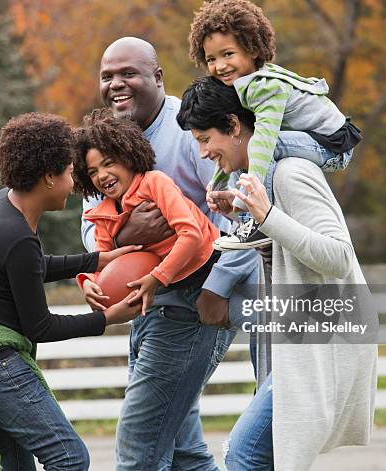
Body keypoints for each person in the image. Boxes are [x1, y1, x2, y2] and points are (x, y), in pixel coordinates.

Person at [0, 112, 142, 471]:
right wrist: (107, 319)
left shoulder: (5, 206)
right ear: (49, 177)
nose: (74, 182)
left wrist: (96, 260)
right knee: (69, 457)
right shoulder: (16, 234)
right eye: (69, 172)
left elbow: (30, 267)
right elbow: (41, 327)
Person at [178, 76, 377, 471]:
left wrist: (267, 217)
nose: (203, 153)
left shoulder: (290, 173)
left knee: (245, 453)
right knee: (258, 456)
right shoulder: (259, 179)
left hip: (326, 338)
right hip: (302, 336)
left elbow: (339, 256)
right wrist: (252, 222)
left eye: (205, 139)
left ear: (234, 126)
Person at [81, 37, 259, 470]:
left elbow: (240, 213)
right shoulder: (102, 143)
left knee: (139, 447)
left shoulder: (190, 127)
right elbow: (91, 231)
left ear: (157, 77)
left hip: (193, 296)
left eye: (129, 73)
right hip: (146, 305)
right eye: (107, 76)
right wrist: (123, 240)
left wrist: (215, 288)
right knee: (183, 453)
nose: (116, 84)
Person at [188, 0, 363, 251]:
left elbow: (263, 143)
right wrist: (218, 185)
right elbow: (235, 147)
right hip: (312, 139)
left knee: (257, 147)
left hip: (333, 145)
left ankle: (256, 222)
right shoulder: (245, 84)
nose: (220, 66)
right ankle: (248, 222)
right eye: (211, 59)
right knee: (246, 148)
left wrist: (245, 201)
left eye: (228, 54)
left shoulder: (265, 88)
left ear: (253, 49)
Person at [71, 109, 221, 315]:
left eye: (108, 163)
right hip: (166, 285)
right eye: (93, 172)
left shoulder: (154, 182)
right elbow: (102, 259)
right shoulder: (103, 214)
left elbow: (191, 234)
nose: (102, 176)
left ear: (128, 157)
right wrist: (89, 282)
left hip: (207, 269)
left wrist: (157, 277)